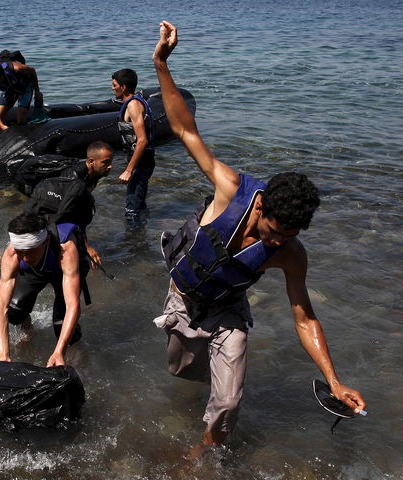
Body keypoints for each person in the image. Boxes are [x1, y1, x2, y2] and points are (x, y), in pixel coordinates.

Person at [150, 21, 366, 448]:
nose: (276, 244)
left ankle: (203, 454)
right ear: (262, 206)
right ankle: (194, 387)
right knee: (181, 372)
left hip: (228, 311)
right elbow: (184, 129)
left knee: (228, 402)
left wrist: (334, 380)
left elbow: (305, 317)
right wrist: (160, 63)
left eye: (288, 237)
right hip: (183, 298)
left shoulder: (289, 253)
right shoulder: (231, 189)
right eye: (273, 233)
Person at [0, 213, 88, 368]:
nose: (25, 259)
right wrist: (3, 356)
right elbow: (0, 306)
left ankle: (76, 355)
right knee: (14, 311)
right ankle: (28, 328)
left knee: (61, 324)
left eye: (30, 252)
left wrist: (59, 351)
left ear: (46, 241)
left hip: (63, 270)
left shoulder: (66, 250)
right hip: (36, 272)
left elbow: (73, 305)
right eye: (20, 252)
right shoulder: (11, 254)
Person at [26, 141, 114, 267]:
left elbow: (79, 210)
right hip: (40, 190)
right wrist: (87, 247)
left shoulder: (96, 172)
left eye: (111, 161)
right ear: (90, 161)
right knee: (41, 223)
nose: (110, 166)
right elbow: (68, 215)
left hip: (58, 195)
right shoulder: (74, 180)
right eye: (105, 162)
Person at [111, 68, 155, 227]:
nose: (112, 88)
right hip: (141, 161)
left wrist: (129, 170)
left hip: (142, 162)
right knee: (138, 202)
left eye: (114, 85)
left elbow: (142, 140)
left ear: (123, 87)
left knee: (132, 207)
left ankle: (134, 241)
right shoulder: (133, 102)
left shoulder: (134, 105)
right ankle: (141, 239)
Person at [0, 53, 43, 132]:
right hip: (9, 90)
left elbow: (32, 70)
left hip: (24, 87)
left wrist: (37, 91)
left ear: (2, 75)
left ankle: (24, 136)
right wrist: (2, 126)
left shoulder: (17, 68)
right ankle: (2, 137)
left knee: (20, 119)